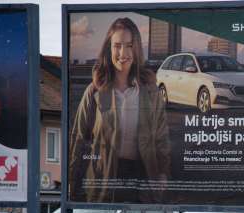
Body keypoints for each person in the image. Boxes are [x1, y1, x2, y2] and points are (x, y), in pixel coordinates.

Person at [69, 17, 171, 203]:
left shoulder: (150, 91)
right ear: (109, 48)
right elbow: (78, 138)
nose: (123, 53)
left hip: (142, 184)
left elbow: (161, 138)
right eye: (117, 45)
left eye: (129, 45)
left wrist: (163, 173)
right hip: (103, 184)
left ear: (137, 48)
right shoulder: (95, 91)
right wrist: (72, 184)